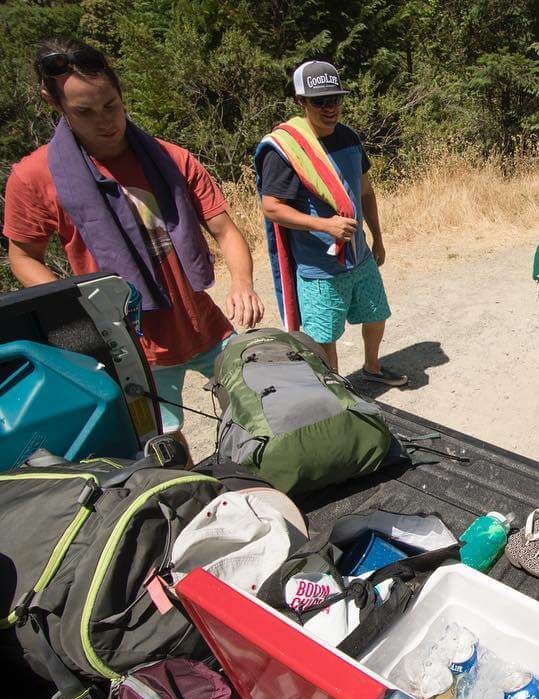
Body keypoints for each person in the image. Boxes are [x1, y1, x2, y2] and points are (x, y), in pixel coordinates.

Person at [3, 39, 264, 441]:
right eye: (84, 112)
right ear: (53, 103)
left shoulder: (169, 158)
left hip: (205, 325)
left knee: (255, 421)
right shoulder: (34, 177)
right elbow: (23, 258)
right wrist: (79, 306)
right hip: (129, 344)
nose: (105, 121)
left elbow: (225, 229)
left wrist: (243, 284)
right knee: (165, 450)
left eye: (110, 105)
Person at [255, 60, 406, 384]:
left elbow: (365, 190)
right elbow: (272, 208)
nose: (330, 107)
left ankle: (372, 369)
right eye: (320, 101)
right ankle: (337, 392)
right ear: (300, 101)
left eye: (335, 98)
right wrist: (325, 226)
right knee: (326, 336)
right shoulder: (286, 150)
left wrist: (377, 237)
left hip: (359, 256)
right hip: (319, 270)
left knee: (377, 314)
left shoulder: (349, 137)